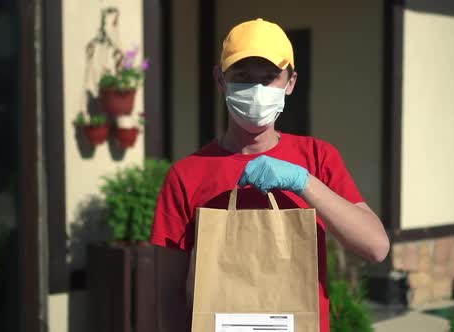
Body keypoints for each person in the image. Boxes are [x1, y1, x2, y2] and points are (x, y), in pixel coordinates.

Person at [150, 18, 390, 332]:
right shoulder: (185, 175)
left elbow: (376, 247)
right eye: (243, 77)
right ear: (220, 79)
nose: (256, 90)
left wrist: (304, 182)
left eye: (270, 78)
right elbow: (168, 293)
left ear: (290, 82)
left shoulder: (318, 158)